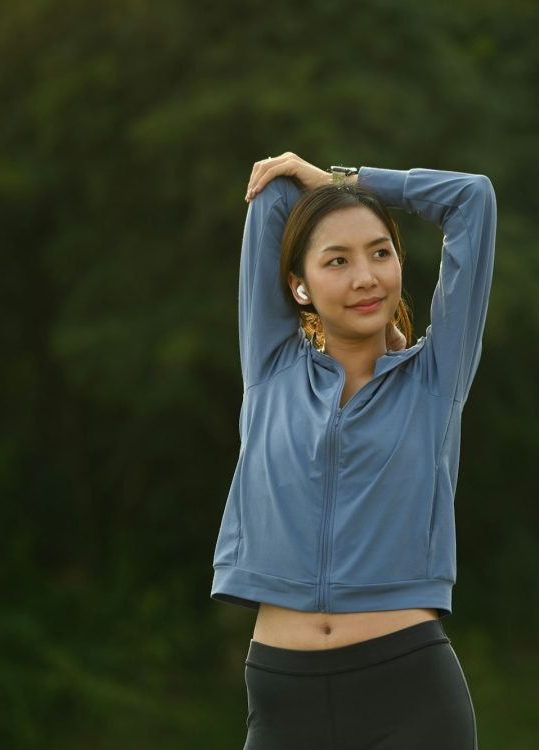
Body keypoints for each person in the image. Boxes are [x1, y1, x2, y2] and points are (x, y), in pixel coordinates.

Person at [211, 152, 496, 749]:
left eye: (380, 252)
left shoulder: (434, 381)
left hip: (411, 694)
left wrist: (344, 181)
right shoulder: (270, 365)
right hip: (282, 695)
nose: (365, 277)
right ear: (299, 286)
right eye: (336, 261)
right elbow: (270, 195)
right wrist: (306, 185)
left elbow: (473, 200)